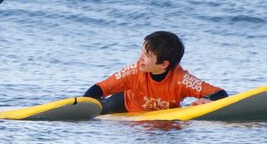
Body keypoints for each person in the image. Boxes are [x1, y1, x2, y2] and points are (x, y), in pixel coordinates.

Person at [84, 31, 228, 114]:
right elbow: (100, 88)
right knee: (101, 107)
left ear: (164, 64)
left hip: (161, 118)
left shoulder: (181, 79)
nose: (140, 58)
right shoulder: (133, 72)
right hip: (121, 105)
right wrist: (82, 107)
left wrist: (208, 100)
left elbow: (220, 93)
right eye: (142, 52)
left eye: (147, 55)